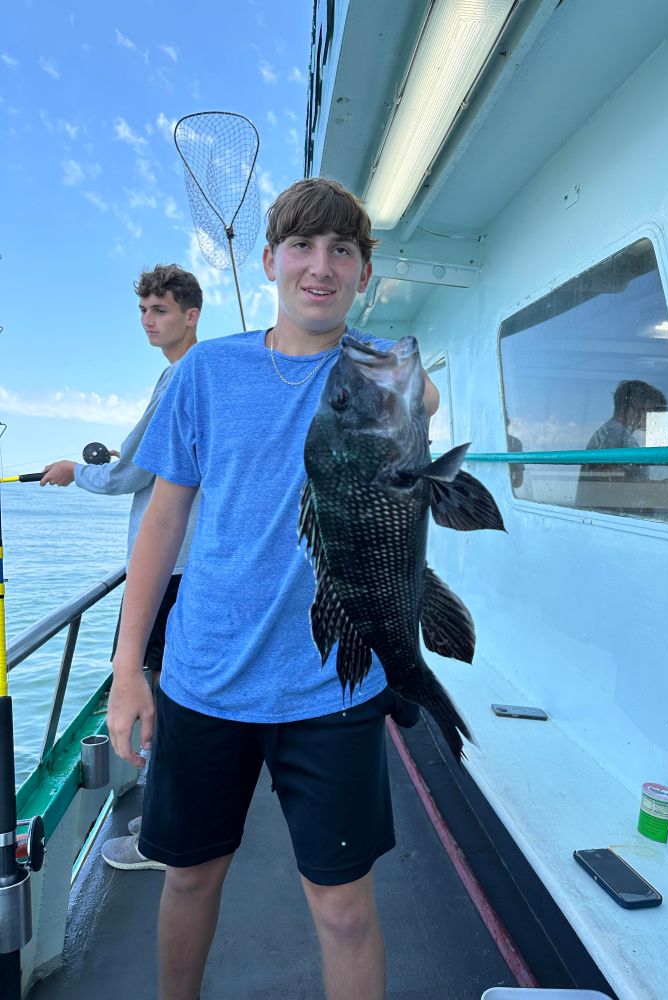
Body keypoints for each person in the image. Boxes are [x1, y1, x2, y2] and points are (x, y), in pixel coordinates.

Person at [106, 178, 438, 1000]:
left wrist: (410, 396)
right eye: (302, 247)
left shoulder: (378, 374)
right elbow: (162, 524)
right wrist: (125, 670)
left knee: (346, 911)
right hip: (204, 676)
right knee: (186, 878)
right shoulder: (206, 373)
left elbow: (423, 396)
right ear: (269, 261)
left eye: (342, 252)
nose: (320, 267)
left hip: (334, 681)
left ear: (365, 272)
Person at [41, 264, 202, 871]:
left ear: (190, 316)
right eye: (143, 311)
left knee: (158, 694)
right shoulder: (184, 376)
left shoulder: (179, 379)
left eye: (159, 310)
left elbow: (133, 470)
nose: (147, 321)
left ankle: (162, 835)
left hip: (171, 571)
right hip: (185, 570)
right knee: (169, 693)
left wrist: (73, 471)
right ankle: (169, 814)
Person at [575, 379, 668, 513]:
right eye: (653, 410)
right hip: (607, 520)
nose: (655, 417)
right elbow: (613, 483)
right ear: (636, 406)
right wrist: (658, 490)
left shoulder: (617, 434)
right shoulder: (613, 436)